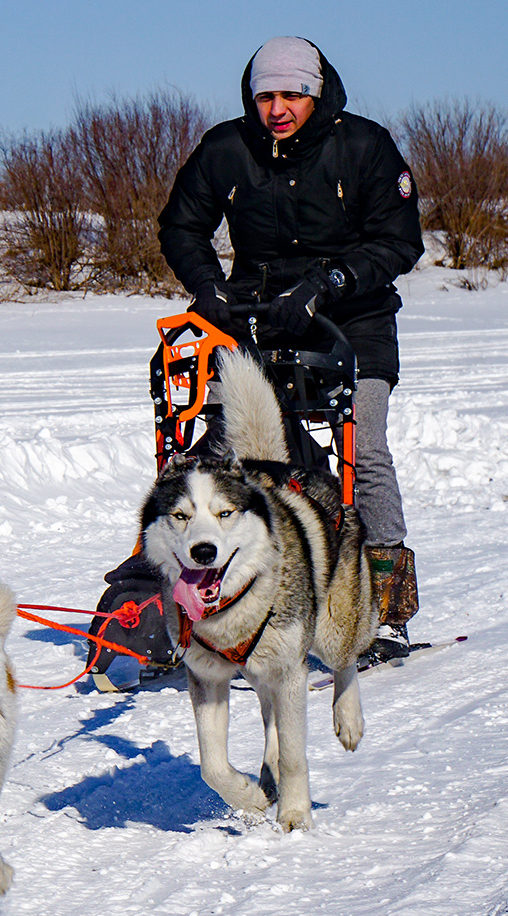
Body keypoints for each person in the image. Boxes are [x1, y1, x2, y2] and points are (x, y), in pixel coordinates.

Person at [157, 35, 423, 662]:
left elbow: (398, 241)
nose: (277, 108)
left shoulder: (365, 146)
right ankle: (195, 599)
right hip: (256, 322)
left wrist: (330, 281)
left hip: (352, 322)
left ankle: (387, 609)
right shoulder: (227, 148)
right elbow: (180, 225)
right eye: (266, 96)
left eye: (291, 95)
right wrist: (208, 287)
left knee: (368, 449)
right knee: (221, 449)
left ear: (315, 93)